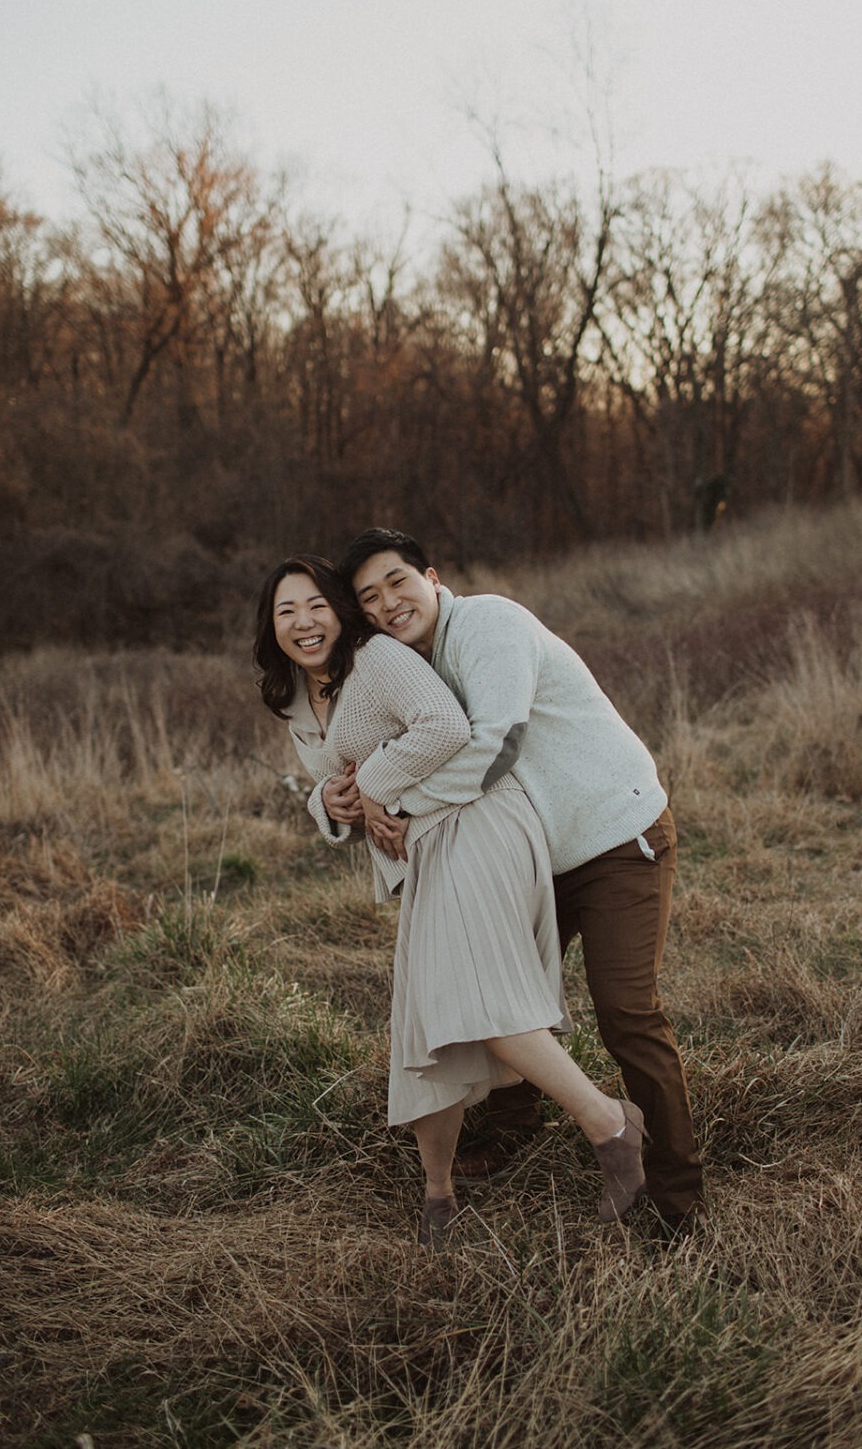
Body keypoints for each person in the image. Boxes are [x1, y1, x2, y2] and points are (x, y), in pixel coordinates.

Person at [253, 554, 648, 1247]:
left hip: (477, 819)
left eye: (316, 604)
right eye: (287, 611)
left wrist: (375, 787)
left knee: (471, 997)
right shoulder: (295, 695)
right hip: (422, 843)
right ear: (272, 627)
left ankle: (610, 1124)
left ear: (340, 611)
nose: (304, 622)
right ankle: (438, 1192)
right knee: (422, 1018)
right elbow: (330, 782)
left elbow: (445, 727)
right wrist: (332, 800)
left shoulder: (374, 657)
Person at [330, 529, 705, 1240]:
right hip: (535, 856)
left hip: (613, 836)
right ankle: (513, 1127)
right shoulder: (408, 660)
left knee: (626, 1011)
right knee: (495, 984)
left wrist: (394, 801)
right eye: (370, 599)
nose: (388, 604)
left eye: (398, 583)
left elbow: (494, 744)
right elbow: (363, 752)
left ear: (432, 577)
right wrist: (348, 794)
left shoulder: (490, 624)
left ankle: (674, 1191)